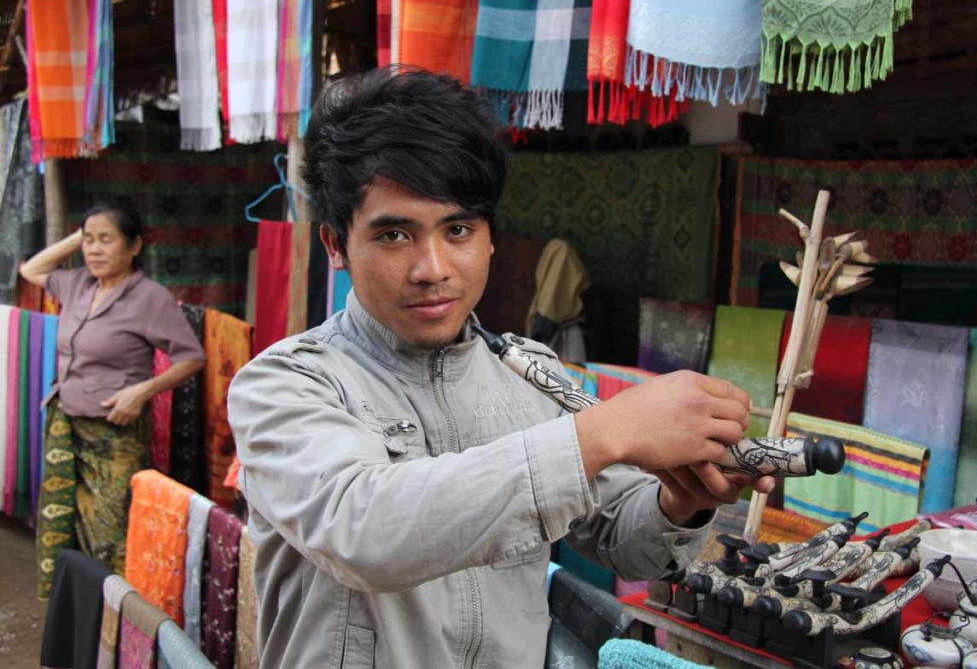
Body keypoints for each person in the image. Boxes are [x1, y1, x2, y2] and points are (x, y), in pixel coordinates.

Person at [227, 68, 773, 668]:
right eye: (394, 235)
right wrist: (604, 432)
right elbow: (365, 533)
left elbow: (624, 541)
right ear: (335, 245)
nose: (432, 267)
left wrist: (682, 501)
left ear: (489, 238)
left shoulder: (529, 375)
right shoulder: (283, 386)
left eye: (457, 228)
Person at [20, 205, 206, 597]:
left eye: (107, 240)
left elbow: (192, 358)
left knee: (111, 534)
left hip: (114, 434)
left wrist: (141, 391)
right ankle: (71, 614)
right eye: (89, 241)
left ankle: (115, 625)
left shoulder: (149, 298)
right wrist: (80, 233)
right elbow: (31, 270)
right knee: (62, 525)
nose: (94, 250)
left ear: (134, 245)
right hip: (66, 422)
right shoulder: (77, 284)